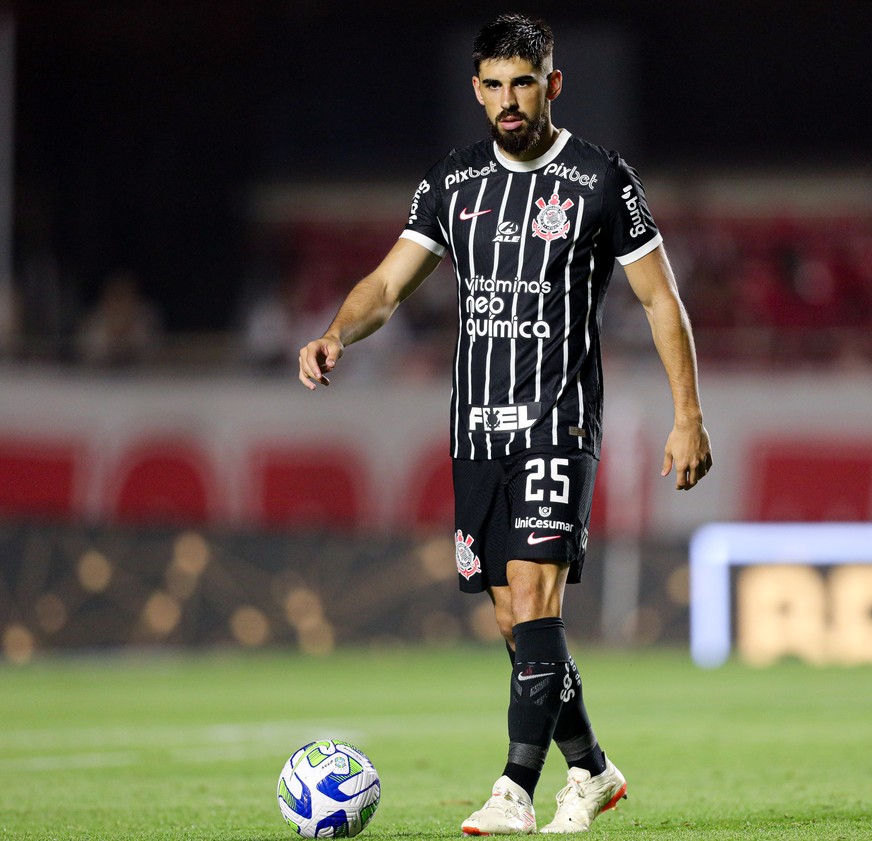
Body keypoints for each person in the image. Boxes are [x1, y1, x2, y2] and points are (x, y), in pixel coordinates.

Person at [298, 13, 712, 835]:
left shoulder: (600, 179)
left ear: (551, 84)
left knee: (532, 597)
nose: (509, 100)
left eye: (524, 82)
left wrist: (687, 416)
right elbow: (386, 285)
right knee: (514, 622)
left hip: (558, 419)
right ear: (477, 90)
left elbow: (661, 298)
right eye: (494, 85)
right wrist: (336, 331)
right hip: (475, 430)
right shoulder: (451, 184)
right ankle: (592, 768)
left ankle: (514, 787)